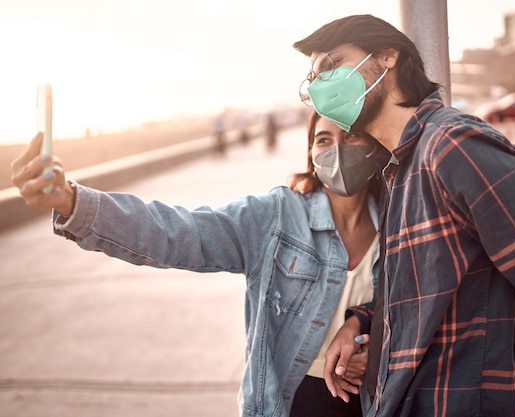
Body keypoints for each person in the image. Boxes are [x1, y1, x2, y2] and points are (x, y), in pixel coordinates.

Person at [293, 14, 515, 417]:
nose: (323, 84)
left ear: (388, 56)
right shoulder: (398, 168)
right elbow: (417, 289)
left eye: (333, 64)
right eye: (316, 77)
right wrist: (360, 320)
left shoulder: (452, 147)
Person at [10, 111, 387, 417]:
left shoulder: (398, 224)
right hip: (292, 404)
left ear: (373, 145)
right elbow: (177, 232)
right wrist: (71, 200)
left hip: (377, 403)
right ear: (311, 154)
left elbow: (414, 306)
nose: (337, 149)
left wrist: (365, 331)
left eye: (351, 135)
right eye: (324, 139)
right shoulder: (276, 217)